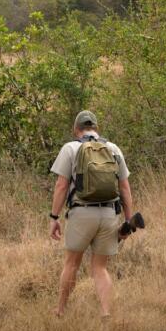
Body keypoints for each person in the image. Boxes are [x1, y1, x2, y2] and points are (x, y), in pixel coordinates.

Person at [48, 110, 135, 318]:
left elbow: (61, 185)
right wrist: (129, 220)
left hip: (81, 213)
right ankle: (106, 312)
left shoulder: (70, 148)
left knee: (72, 263)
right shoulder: (113, 148)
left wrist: (54, 217)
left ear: (76, 129)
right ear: (96, 128)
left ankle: (60, 310)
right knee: (100, 268)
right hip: (108, 214)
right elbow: (124, 187)